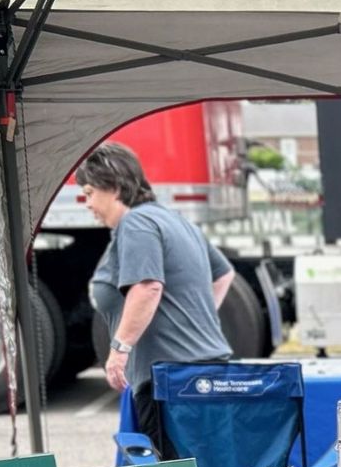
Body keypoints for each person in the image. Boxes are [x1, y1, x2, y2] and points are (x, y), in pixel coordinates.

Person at [77, 142, 237, 444]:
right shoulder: (173, 219)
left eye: (89, 193)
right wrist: (194, 318)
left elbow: (147, 286)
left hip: (168, 379)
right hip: (205, 367)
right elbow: (224, 273)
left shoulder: (136, 223)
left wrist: (118, 351)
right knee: (206, 464)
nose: (87, 204)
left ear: (114, 187)